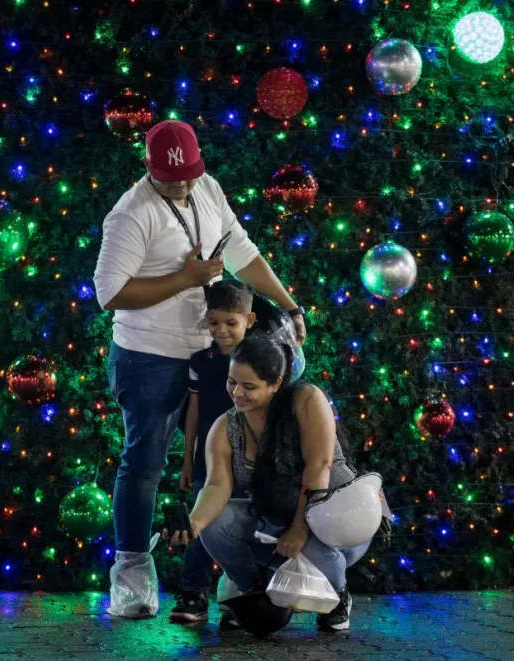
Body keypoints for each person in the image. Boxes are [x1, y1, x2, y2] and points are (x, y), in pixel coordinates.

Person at [93, 120, 307, 618]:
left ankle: (229, 576)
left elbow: (242, 253)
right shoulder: (130, 214)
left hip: (213, 355)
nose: (182, 185)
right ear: (148, 168)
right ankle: (132, 578)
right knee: (144, 463)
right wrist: (184, 278)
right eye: (171, 179)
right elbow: (110, 293)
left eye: (189, 174)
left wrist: (289, 306)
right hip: (149, 356)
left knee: (226, 466)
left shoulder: (207, 187)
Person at [167, 334, 381, 633]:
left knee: (311, 552)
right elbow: (216, 486)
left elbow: (319, 465)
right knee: (215, 525)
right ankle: (256, 592)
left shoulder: (306, 399)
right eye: (232, 382)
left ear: (276, 383)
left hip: (337, 522)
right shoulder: (225, 426)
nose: (237, 393)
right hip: (277, 524)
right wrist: (195, 523)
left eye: (249, 386)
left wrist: (300, 528)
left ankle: (337, 596)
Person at [171, 280, 256, 625]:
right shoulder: (200, 362)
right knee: (200, 524)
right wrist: (187, 459)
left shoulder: (259, 361)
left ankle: (244, 597)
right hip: (207, 460)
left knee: (245, 527)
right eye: (213, 322)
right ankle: (193, 592)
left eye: (231, 323)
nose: (221, 331)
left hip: (249, 462)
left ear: (249, 321)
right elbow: (192, 412)